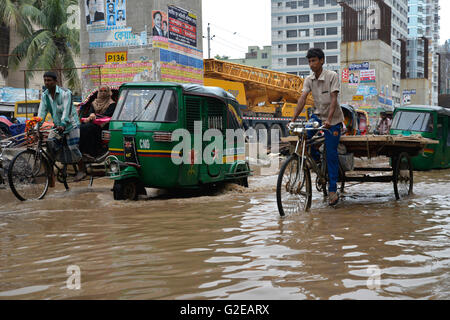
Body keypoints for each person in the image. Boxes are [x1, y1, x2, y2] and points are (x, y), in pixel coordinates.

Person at [290, 48, 344, 206]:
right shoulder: (308, 79)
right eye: (309, 61)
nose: (311, 64)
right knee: (305, 135)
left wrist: (329, 120)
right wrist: (292, 119)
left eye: (314, 60)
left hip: (333, 119)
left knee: (332, 153)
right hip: (317, 116)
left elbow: (334, 99)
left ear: (321, 61)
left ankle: (333, 189)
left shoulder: (332, 76)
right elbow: (302, 98)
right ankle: (317, 162)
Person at [37, 72, 86, 184]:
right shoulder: (45, 95)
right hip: (58, 126)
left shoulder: (65, 93)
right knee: (50, 145)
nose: (47, 83)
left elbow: (66, 110)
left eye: (49, 80)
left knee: (73, 147)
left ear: (55, 81)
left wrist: (63, 124)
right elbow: (42, 112)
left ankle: (82, 170)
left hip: (70, 124)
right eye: (45, 80)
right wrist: (37, 125)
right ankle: (51, 173)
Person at [79, 86, 116, 159]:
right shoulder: (94, 103)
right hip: (93, 122)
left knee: (88, 128)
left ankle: (92, 152)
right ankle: (83, 151)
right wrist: (91, 115)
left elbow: (107, 115)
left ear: (108, 93)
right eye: (101, 91)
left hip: (104, 125)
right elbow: (90, 112)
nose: (102, 93)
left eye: (105, 91)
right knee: (81, 127)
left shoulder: (112, 104)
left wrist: (93, 116)